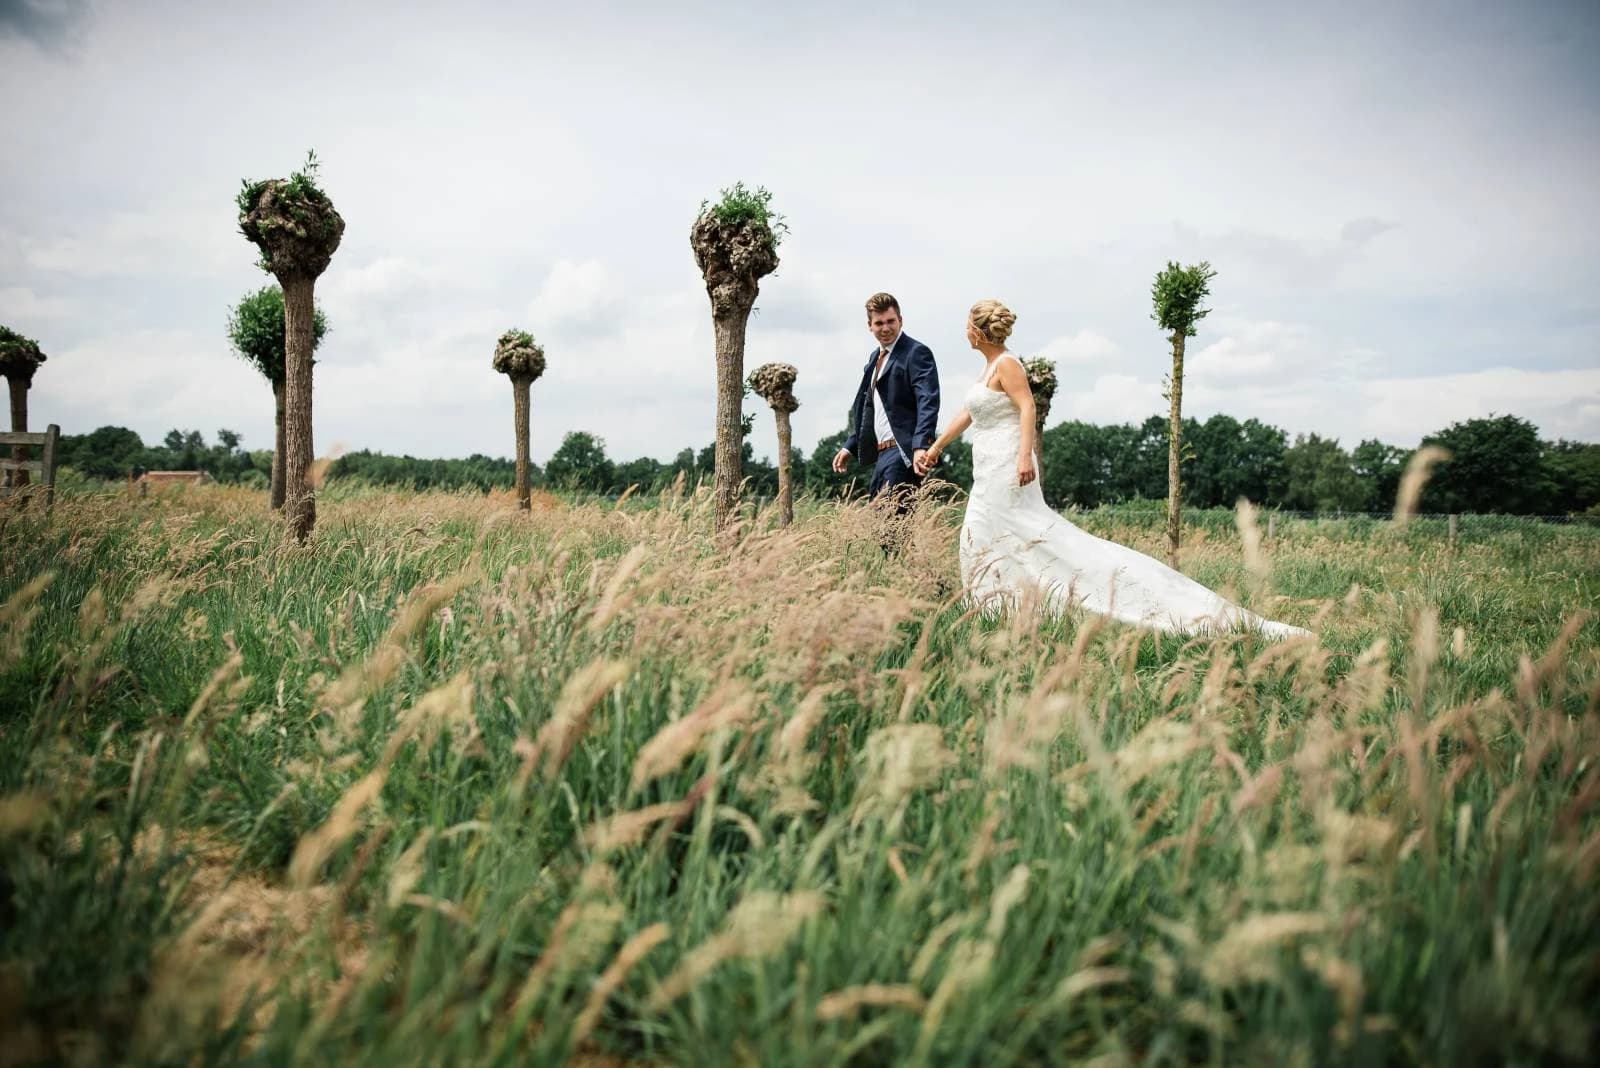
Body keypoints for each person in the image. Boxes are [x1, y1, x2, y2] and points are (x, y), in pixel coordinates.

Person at [916, 299, 1311, 639]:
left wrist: (1024, 456)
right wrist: (935, 448)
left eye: (967, 327)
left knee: (1021, 533)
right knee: (984, 534)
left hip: (1007, 463)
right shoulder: (987, 369)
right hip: (985, 467)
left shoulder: (1008, 365)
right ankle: (997, 607)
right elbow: (968, 412)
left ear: (979, 331)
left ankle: (1068, 593)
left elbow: (1028, 407)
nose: (964, 333)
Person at [832, 292, 941, 506]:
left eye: (891, 321)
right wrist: (850, 446)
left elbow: (928, 401)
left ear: (900, 320)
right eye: (879, 323)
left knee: (892, 523)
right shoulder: (875, 357)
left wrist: (921, 445)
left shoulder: (916, 352)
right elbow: (868, 407)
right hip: (880, 455)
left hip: (903, 453)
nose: (885, 328)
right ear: (870, 326)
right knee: (879, 523)